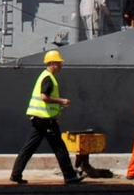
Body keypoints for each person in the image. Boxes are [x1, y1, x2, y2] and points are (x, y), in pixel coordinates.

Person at [10, 50, 83, 185]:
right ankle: (70, 176)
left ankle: (16, 174)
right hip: (45, 119)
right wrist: (62, 101)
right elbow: (44, 97)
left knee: (29, 148)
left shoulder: (44, 76)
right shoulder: (48, 78)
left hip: (40, 119)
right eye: (59, 63)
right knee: (60, 149)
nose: (61, 66)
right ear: (53, 63)